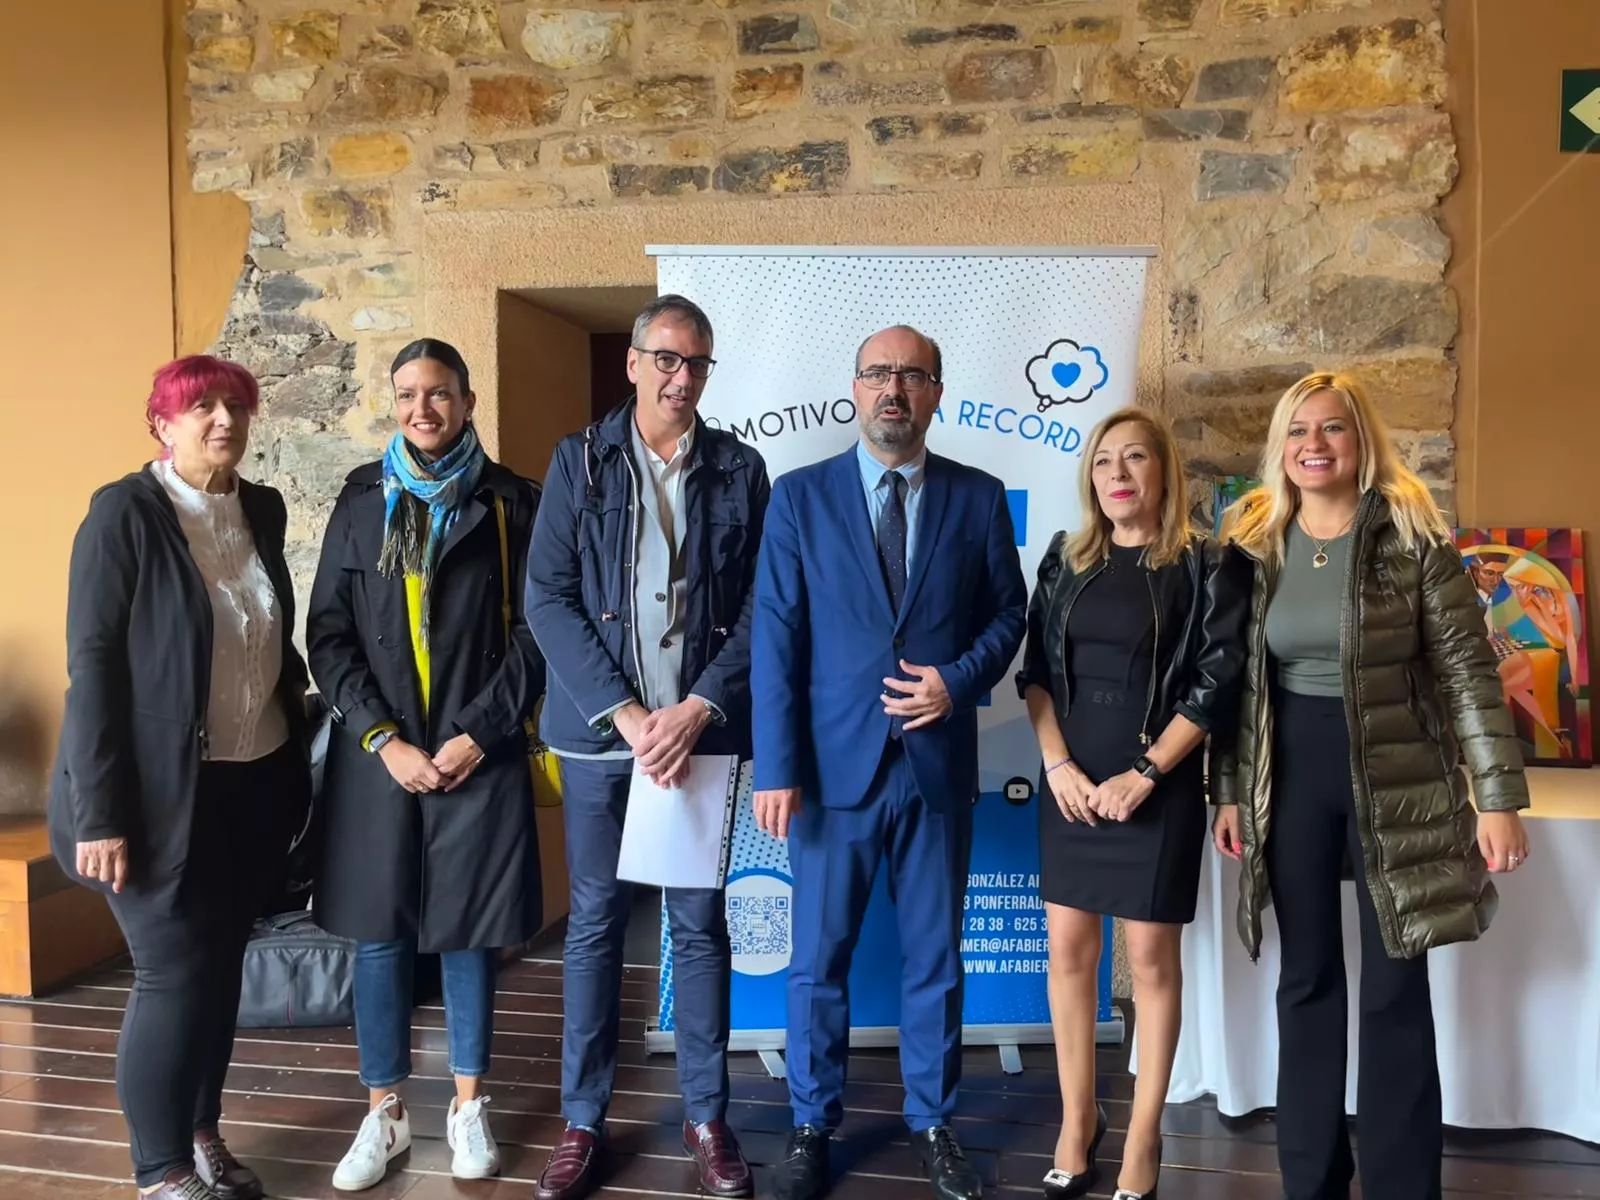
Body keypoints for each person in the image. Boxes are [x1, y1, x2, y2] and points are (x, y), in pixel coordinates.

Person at [1212, 371, 1532, 1200]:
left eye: (1333, 430)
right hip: (1291, 777)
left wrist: (1496, 796)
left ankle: (1400, 1185)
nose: (1314, 445)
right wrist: (1230, 788)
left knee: (1396, 983)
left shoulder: (1412, 536)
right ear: (1281, 449)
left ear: (1362, 443)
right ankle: (1311, 1180)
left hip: (1399, 778)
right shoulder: (1255, 541)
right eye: (1299, 431)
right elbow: (1233, 684)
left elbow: (1466, 669)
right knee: (1307, 978)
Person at [752, 326, 1028, 1200]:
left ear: (936, 392)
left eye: (911, 375)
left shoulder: (978, 499)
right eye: (878, 374)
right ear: (855, 389)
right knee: (817, 960)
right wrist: (775, 766)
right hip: (831, 776)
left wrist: (957, 681)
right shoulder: (798, 498)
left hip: (937, 768)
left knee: (935, 959)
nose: (893, 390)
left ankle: (934, 1122)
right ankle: (810, 1123)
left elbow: (1007, 617)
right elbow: (777, 638)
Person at [48, 355, 312, 1200]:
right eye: (200, 407)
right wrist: (99, 815)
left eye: (235, 405)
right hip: (151, 794)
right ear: (161, 423)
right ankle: (157, 1169)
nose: (223, 420)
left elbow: (267, 640)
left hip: (249, 782)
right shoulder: (124, 514)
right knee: (170, 970)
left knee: (222, 964)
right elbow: (92, 670)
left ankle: (201, 1134)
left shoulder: (260, 509)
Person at [525, 295, 770, 1200]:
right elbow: (546, 597)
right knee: (592, 926)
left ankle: (708, 1116)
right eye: (667, 359)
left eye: (698, 364)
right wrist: (628, 717)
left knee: (698, 928)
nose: (682, 377)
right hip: (602, 744)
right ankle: (583, 1121)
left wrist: (699, 706)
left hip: (699, 742)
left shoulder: (741, 469)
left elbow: (761, 609)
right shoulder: (578, 461)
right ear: (632, 363)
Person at [307, 338, 544, 1191]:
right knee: (381, 935)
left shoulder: (513, 500)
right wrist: (383, 739)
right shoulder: (362, 501)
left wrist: (478, 733)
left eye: (438, 394)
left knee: (469, 935)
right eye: (407, 394)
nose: (422, 410)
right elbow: (328, 635)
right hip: (384, 758)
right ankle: (385, 1114)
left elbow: (535, 631)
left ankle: (467, 1105)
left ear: (467, 402)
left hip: (476, 753)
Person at [1016, 407, 1248, 1200]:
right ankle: (1077, 1122)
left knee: (1150, 962)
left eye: (1136, 458)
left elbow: (1216, 684)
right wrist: (1058, 767)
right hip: (1071, 785)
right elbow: (1035, 673)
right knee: (1068, 956)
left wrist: (1146, 772)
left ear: (1163, 473)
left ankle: (1143, 1135)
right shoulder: (1064, 559)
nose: (1117, 474)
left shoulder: (1208, 563)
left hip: (1159, 786)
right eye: (1104, 460)